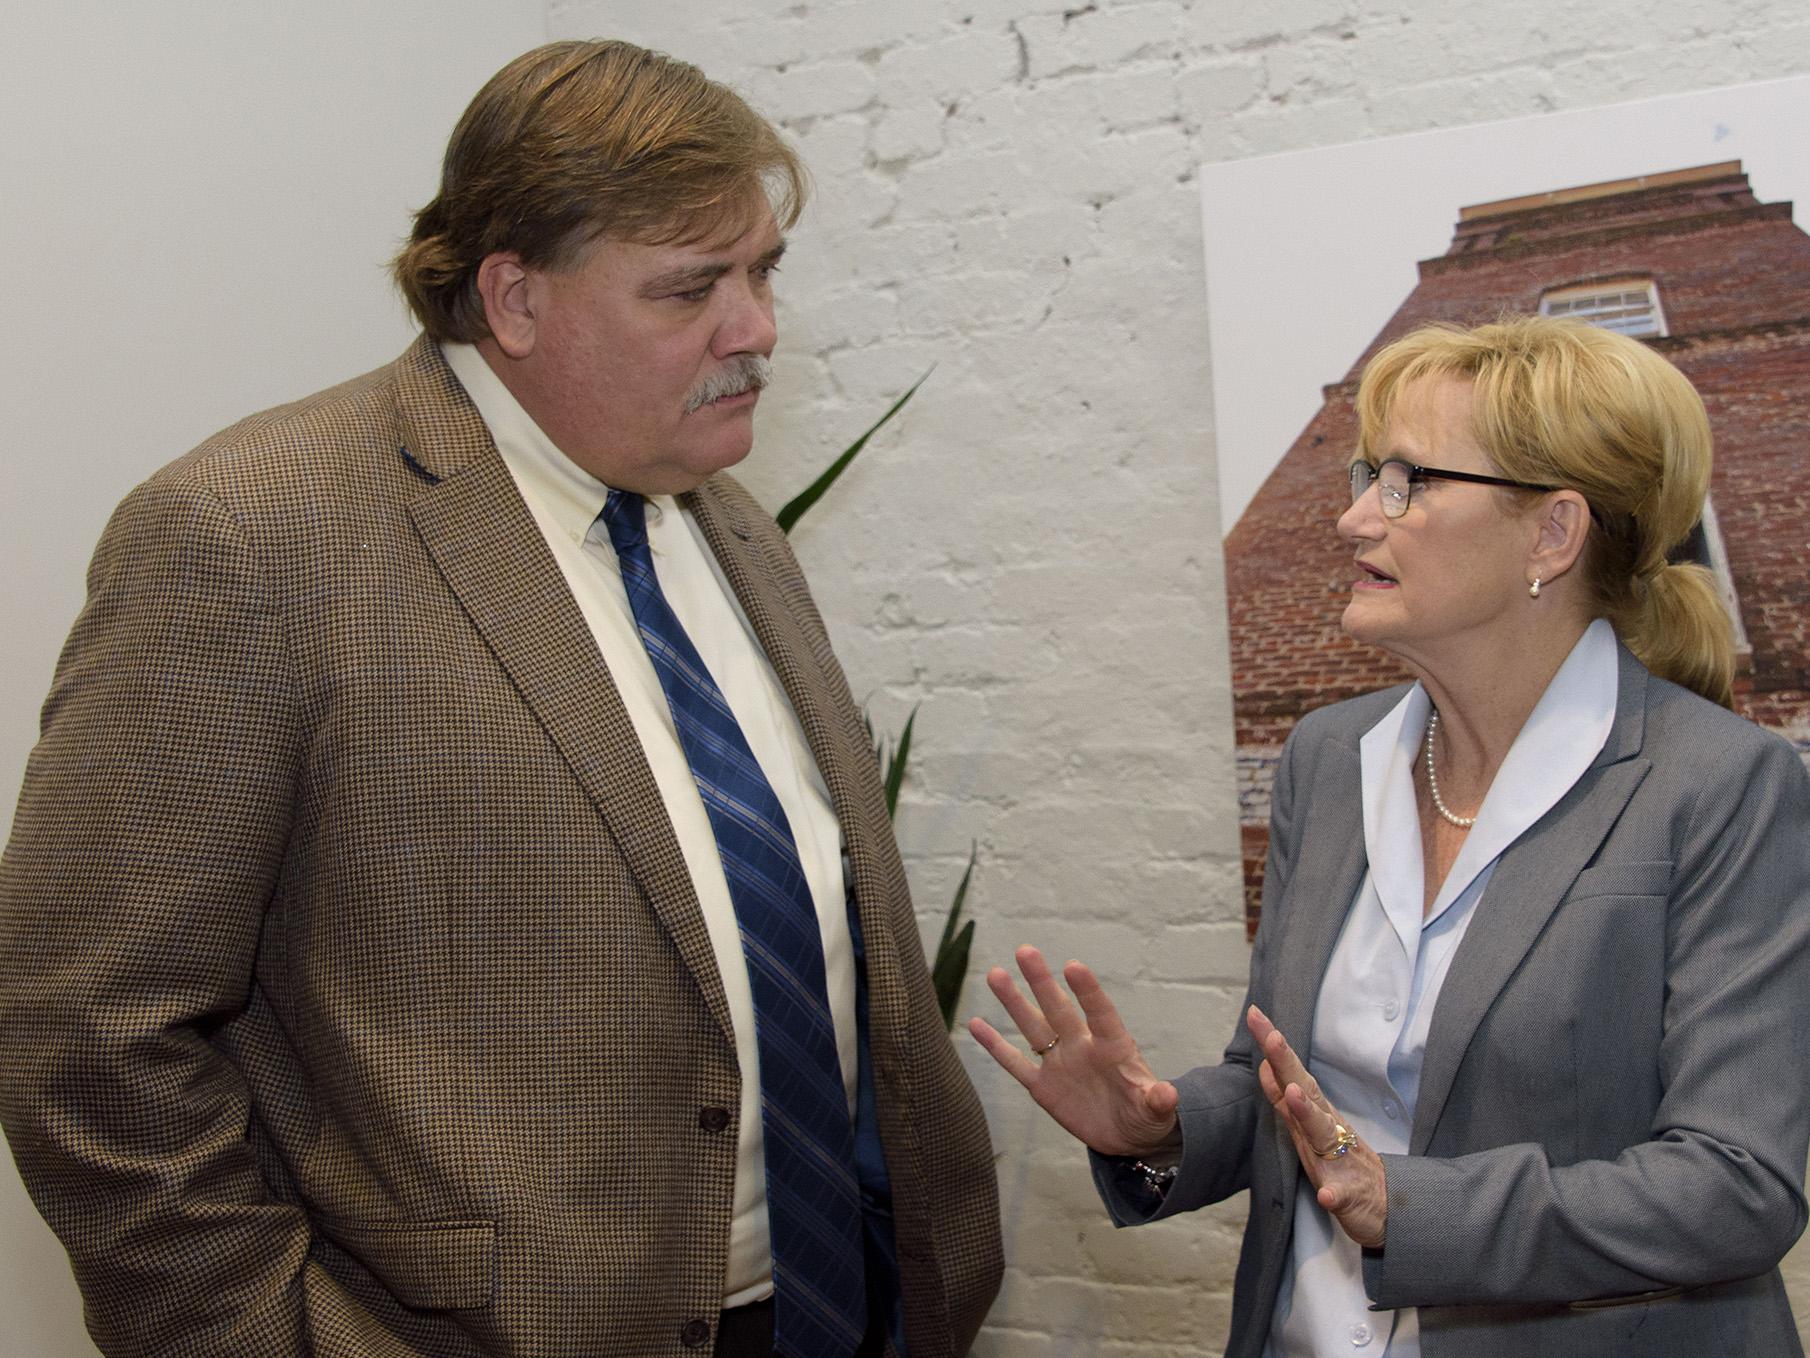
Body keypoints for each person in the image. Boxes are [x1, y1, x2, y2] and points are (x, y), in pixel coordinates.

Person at [0, 39, 1000, 1358]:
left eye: (762, 271)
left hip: (830, 1304)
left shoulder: (727, 526)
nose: (755, 326)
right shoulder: (253, 535)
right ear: (513, 299)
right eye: (691, 286)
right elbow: (88, 1029)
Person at [972, 316, 1810, 1356]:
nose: (1354, 515)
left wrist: (1409, 1207)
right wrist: (1163, 1125)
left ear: (1550, 534)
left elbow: (1735, 1183)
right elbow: (1289, 1084)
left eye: (1408, 481)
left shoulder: (1724, 785)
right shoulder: (1329, 760)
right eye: (1370, 472)